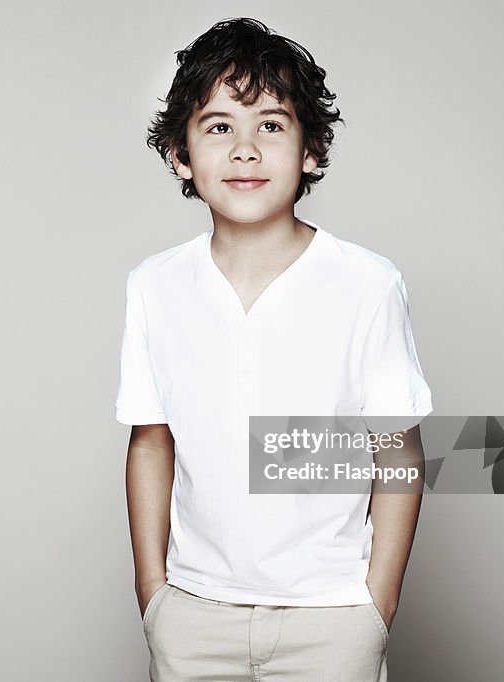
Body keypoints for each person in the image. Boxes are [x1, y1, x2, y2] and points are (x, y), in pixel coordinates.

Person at [115, 17, 433, 681]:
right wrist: (154, 594)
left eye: (271, 124)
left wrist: (378, 605)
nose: (245, 150)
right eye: (219, 126)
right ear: (180, 153)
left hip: (332, 619)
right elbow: (152, 441)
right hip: (194, 616)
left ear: (311, 150)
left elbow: (396, 448)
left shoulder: (368, 285)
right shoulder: (155, 286)